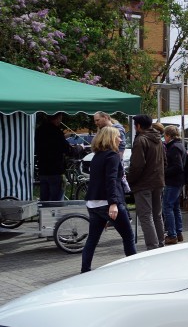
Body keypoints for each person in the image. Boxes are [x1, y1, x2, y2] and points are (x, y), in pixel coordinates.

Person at [81, 126, 137, 272]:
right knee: (128, 236)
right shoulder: (113, 156)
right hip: (108, 202)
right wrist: (113, 203)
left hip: (93, 203)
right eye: (118, 136)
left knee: (92, 239)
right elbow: (111, 180)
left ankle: (85, 270)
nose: (120, 140)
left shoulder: (97, 156)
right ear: (111, 138)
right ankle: (134, 269)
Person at [128, 114, 166, 250]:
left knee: (146, 216)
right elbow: (164, 161)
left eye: (135, 126)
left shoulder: (141, 140)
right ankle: (160, 244)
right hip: (157, 182)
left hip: (144, 184)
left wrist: (130, 180)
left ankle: (153, 248)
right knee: (156, 215)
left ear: (138, 126)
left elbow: (137, 165)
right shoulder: (158, 139)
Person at [35, 112, 70, 201]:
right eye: (60, 118)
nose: (60, 121)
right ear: (57, 118)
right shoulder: (56, 132)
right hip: (55, 170)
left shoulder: (39, 130)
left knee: (44, 199)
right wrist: (78, 148)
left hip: (43, 169)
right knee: (56, 201)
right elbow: (66, 149)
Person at [162, 125, 185, 245]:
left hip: (173, 181)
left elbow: (177, 166)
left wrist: (163, 172)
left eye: (164, 136)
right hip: (178, 181)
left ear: (168, 136)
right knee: (175, 207)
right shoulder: (179, 145)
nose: (164, 138)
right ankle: (178, 233)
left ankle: (172, 235)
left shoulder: (174, 147)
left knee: (167, 207)